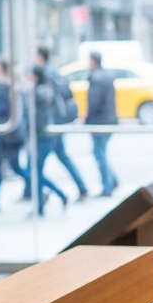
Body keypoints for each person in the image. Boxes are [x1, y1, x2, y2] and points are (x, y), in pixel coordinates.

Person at [35, 46, 88, 201]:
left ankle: (46, 193)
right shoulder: (53, 70)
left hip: (52, 124)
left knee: (36, 165)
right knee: (60, 156)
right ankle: (81, 187)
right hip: (55, 123)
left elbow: (49, 100)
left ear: (40, 56)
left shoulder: (47, 73)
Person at [0, 56, 28, 209]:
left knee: (0, 167)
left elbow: (4, 109)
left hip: (7, 135)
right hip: (10, 134)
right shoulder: (7, 84)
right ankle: (40, 188)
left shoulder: (5, 85)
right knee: (13, 166)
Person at [28, 64, 68, 214]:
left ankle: (54, 197)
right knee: (35, 172)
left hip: (41, 137)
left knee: (34, 172)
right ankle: (52, 198)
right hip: (45, 136)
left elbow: (36, 119)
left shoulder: (38, 93)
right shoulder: (46, 90)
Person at [84, 51, 119, 197]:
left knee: (99, 153)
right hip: (108, 120)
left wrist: (89, 123)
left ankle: (108, 184)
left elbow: (94, 102)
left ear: (93, 61)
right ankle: (112, 180)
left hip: (100, 122)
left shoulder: (97, 78)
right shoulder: (106, 75)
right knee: (101, 152)